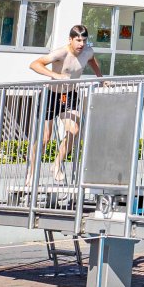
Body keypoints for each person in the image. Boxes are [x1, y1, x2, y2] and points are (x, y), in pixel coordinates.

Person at [30, 24, 102, 180]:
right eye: (78, 40)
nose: (81, 44)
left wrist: (101, 79)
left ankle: (57, 163)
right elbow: (35, 64)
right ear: (70, 39)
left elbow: (92, 61)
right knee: (45, 138)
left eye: (84, 40)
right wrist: (55, 75)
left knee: (74, 130)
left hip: (69, 96)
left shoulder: (88, 52)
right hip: (50, 95)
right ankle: (32, 172)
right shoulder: (61, 53)